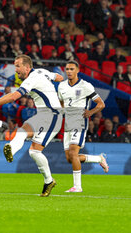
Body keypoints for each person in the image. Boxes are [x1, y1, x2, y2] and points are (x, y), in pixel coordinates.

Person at [0, 55, 64, 197]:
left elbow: (14, 96)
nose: (16, 70)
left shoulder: (32, 78)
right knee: (21, 132)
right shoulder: (41, 72)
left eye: (18, 66)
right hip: (43, 115)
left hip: (53, 115)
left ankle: (49, 180)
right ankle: (11, 150)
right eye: (15, 66)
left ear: (27, 67)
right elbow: (58, 77)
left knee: (34, 152)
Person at [58, 60, 108, 193]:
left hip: (79, 122)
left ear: (78, 70)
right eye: (67, 69)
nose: (69, 71)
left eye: (72, 69)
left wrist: (90, 112)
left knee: (74, 153)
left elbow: (100, 104)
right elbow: (61, 103)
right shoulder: (61, 86)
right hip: (67, 123)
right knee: (70, 158)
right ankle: (98, 158)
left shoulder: (86, 86)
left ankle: (77, 187)